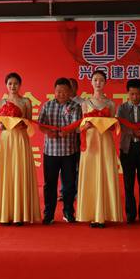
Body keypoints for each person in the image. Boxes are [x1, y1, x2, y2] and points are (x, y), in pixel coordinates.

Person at [0, 72, 41, 225]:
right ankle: (5, 214)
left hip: (20, 139)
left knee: (20, 171)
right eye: (10, 83)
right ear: (6, 85)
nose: (13, 86)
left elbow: (29, 122)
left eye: (16, 83)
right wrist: (3, 125)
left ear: (20, 85)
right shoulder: (2, 102)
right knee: (7, 173)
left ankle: (21, 214)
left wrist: (22, 124)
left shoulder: (26, 101)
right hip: (6, 140)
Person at [76, 70, 122, 228]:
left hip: (106, 141)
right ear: (91, 82)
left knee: (105, 173)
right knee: (91, 174)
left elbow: (114, 126)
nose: (98, 83)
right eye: (95, 80)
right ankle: (92, 214)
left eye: (101, 80)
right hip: (91, 142)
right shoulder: (85, 103)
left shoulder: (110, 104)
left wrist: (109, 125)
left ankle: (105, 213)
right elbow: (80, 127)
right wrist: (86, 126)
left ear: (105, 83)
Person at [37, 78, 82, 224]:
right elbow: (40, 124)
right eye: (58, 91)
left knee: (69, 184)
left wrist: (67, 131)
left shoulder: (75, 106)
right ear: (54, 91)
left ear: (70, 92)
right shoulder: (47, 105)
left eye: (64, 91)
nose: (61, 94)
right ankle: (48, 214)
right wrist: (47, 132)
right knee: (49, 184)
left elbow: (76, 125)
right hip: (51, 151)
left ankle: (68, 212)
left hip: (69, 151)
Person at [117, 78, 140, 224]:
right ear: (127, 93)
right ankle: (130, 214)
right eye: (132, 94)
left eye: (137, 94)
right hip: (128, 148)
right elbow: (121, 126)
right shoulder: (122, 108)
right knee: (128, 183)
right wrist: (134, 132)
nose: (135, 97)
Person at [66, 77, 84, 202]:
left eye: (72, 86)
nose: (69, 88)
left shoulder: (82, 102)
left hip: (78, 136)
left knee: (78, 165)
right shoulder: (63, 101)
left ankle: (78, 191)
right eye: (68, 86)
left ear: (76, 88)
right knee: (66, 166)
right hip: (65, 137)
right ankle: (65, 192)